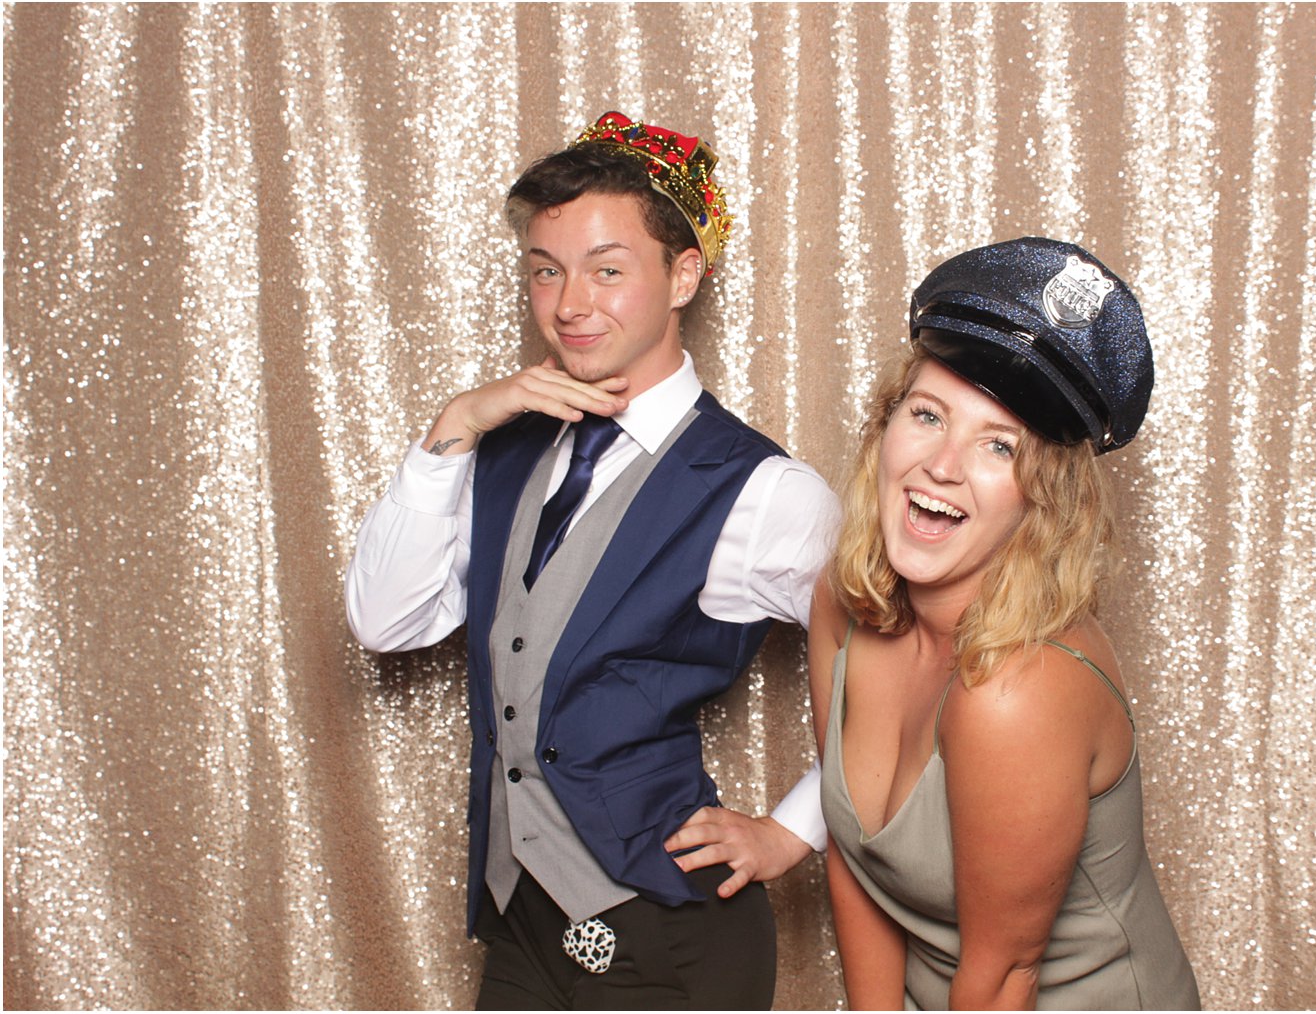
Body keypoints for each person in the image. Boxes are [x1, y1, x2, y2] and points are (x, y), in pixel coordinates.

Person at [345, 111, 836, 1009]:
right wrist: (455, 423)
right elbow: (385, 621)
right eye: (546, 270)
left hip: (667, 932)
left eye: (608, 269)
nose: (570, 303)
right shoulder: (500, 446)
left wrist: (790, 832)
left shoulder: (765, 489)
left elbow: (918, 679)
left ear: (684, 273)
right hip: (517, 920)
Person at [809, 238, 1201, 1010]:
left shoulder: (1017, 690)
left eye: (998, 445)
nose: (943, 465)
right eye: (928, 415)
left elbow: (1000, 978)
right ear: (883, 429)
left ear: (1042, 498)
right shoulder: (841, 600)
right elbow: (854, 862)